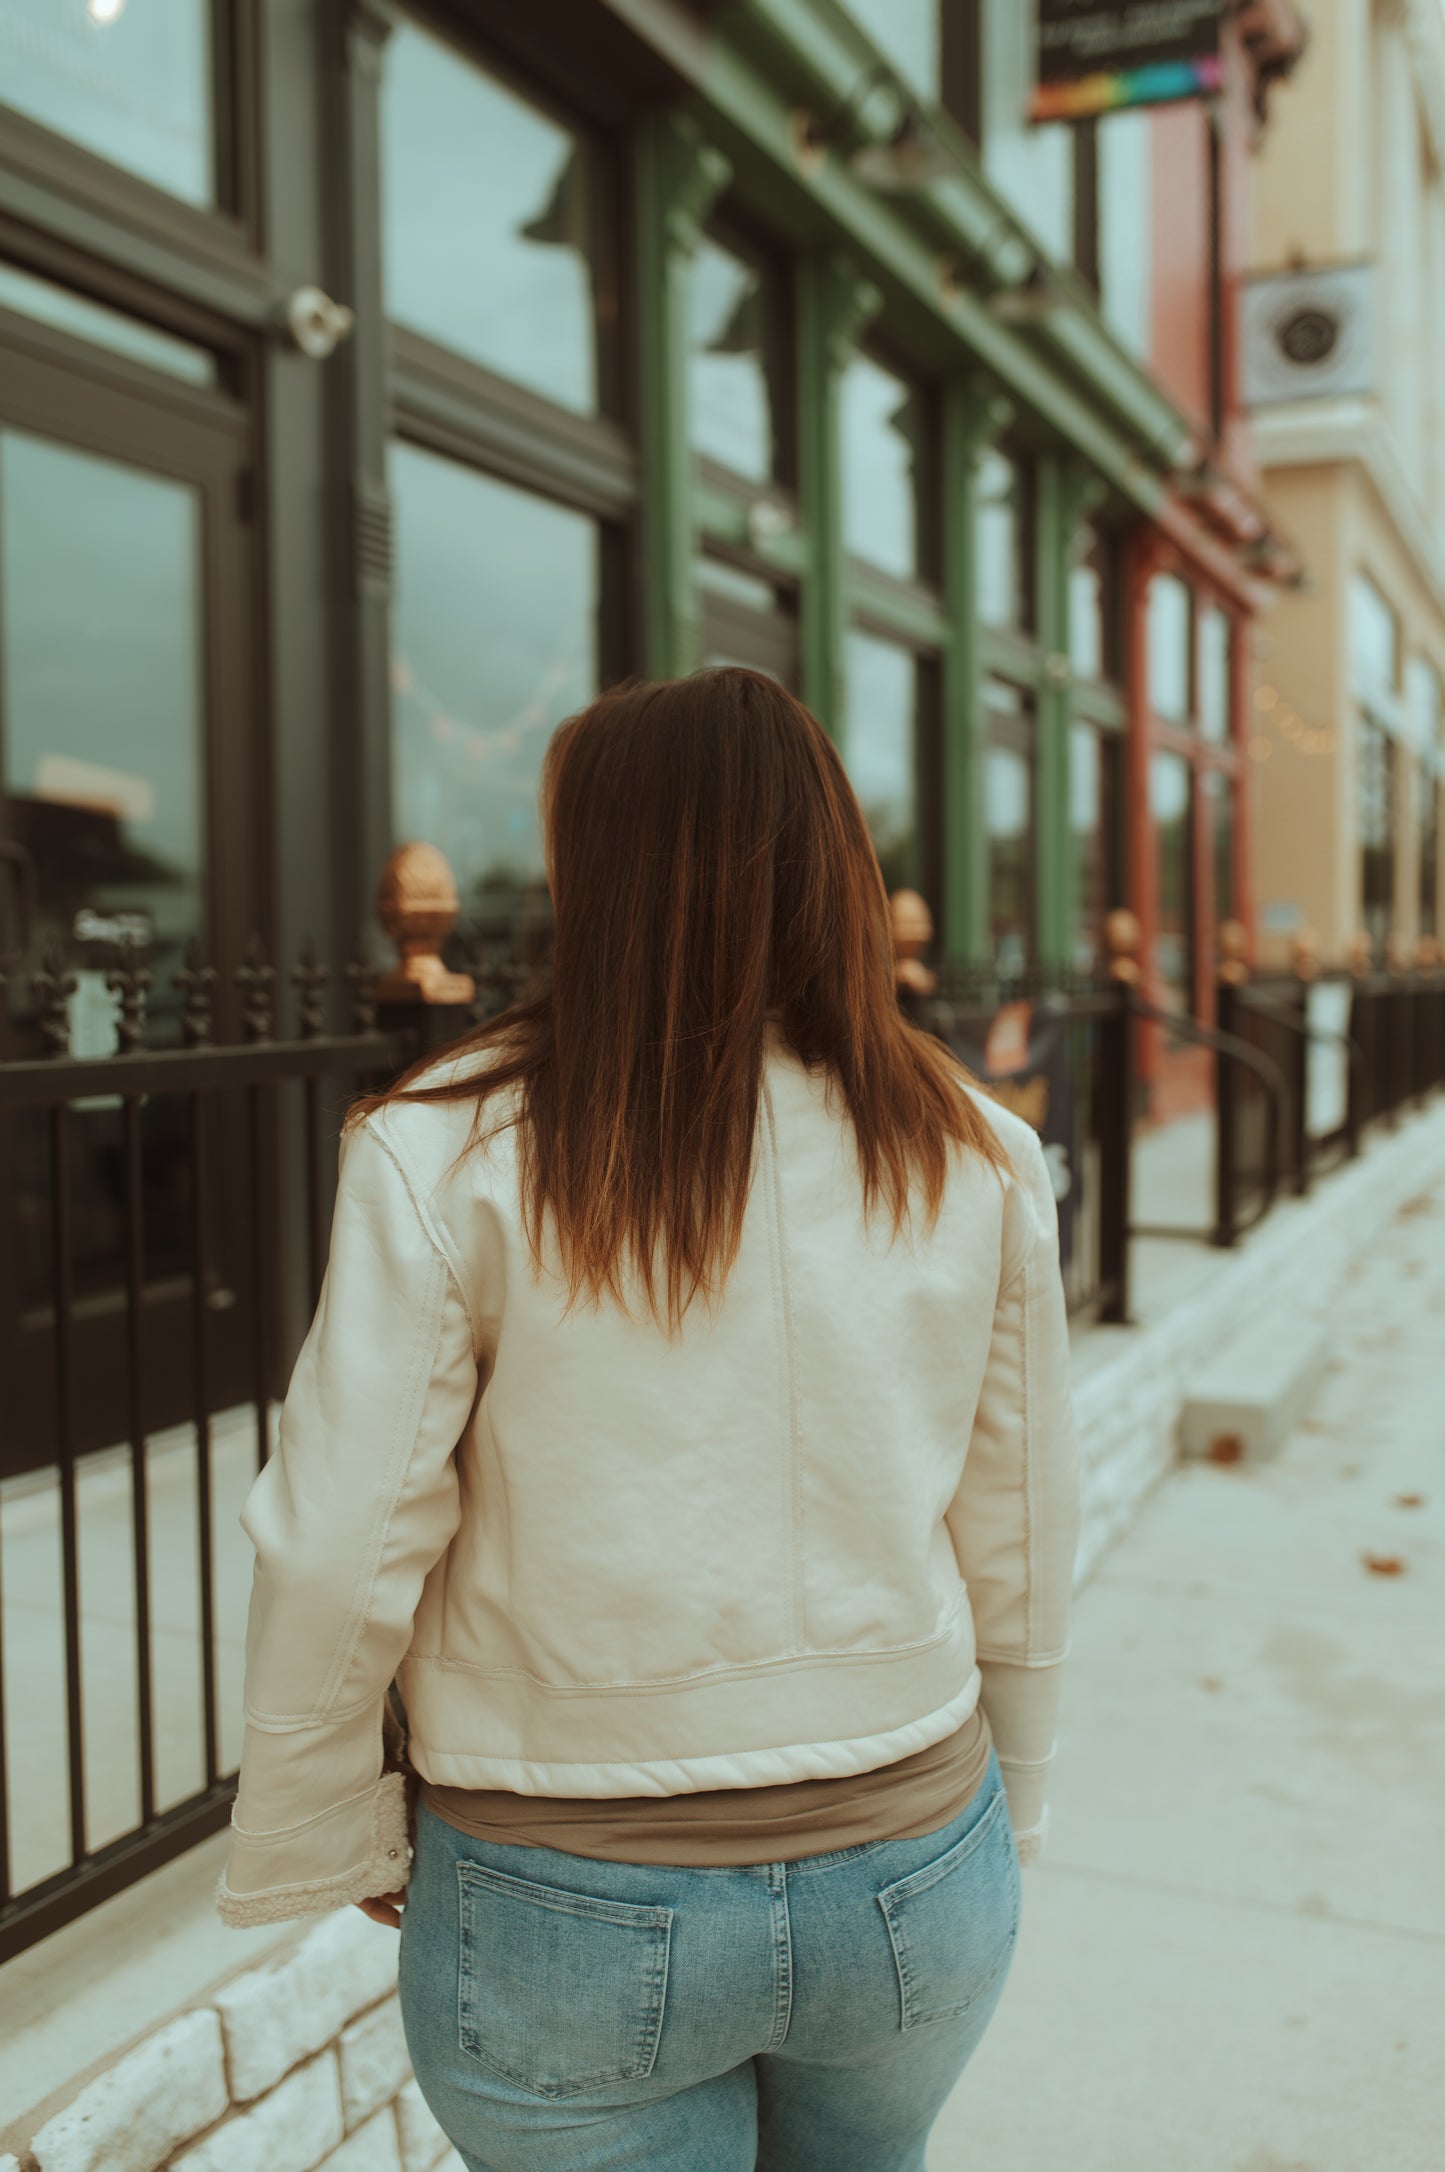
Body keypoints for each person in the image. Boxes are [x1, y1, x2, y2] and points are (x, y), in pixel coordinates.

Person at [218, 668, 1081, 2172]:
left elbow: (338, 1540)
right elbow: (1020, 1522)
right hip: (912, 1862)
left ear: (592, 871)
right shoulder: (974, 1151)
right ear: (835, 864)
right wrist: (1018, 1787)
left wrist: (327, 1820)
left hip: (564, 1886)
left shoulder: (448, 1150)